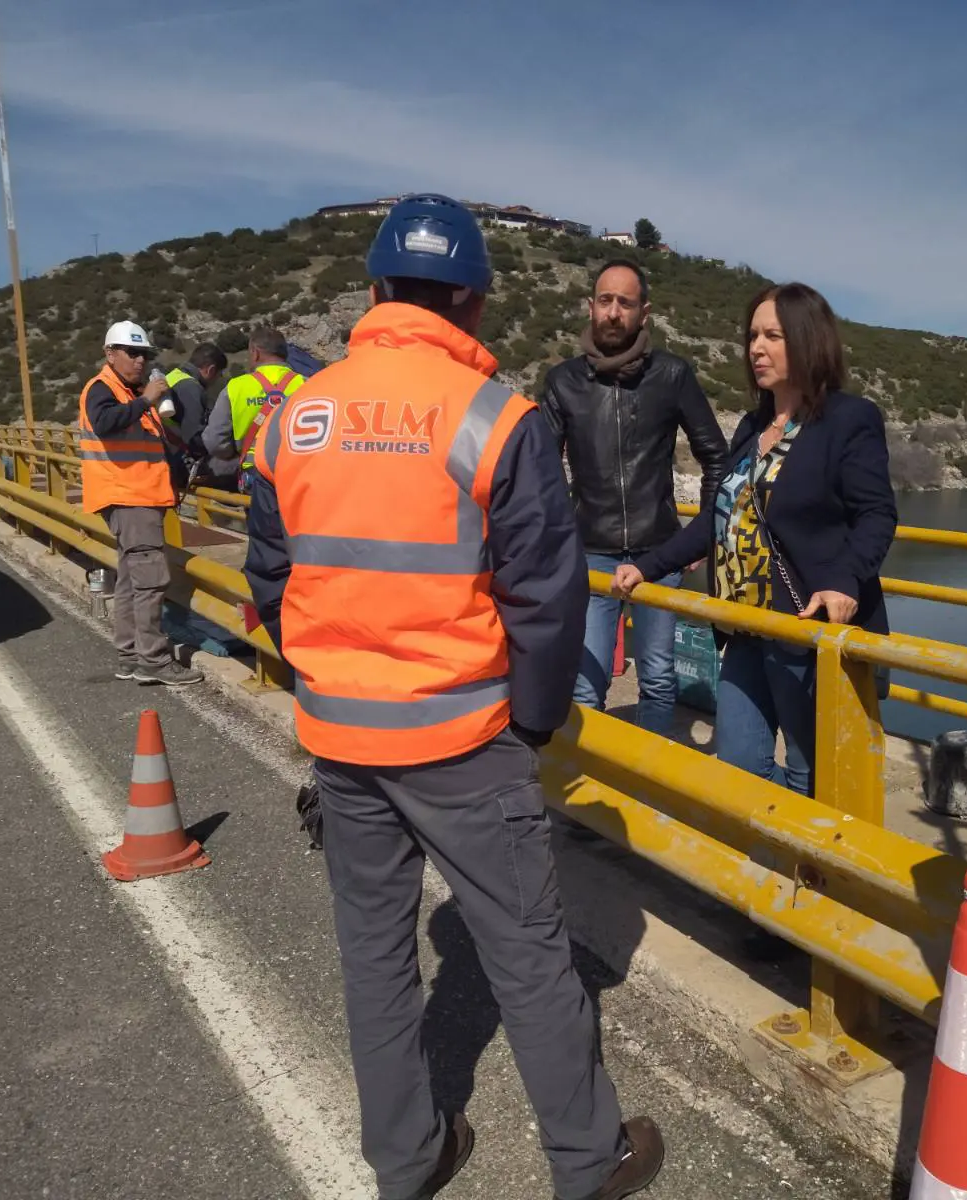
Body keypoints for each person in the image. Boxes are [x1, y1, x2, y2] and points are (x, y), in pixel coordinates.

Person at [242, 194, 664, 1200]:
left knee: (375, 957)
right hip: (463, 738)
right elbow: (546, 596)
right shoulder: (496, 417)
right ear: (470, 303)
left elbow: (270, 576)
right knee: (525, 955)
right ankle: (585, 1158)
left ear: (376, 292)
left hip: (341, 739)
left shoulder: (292, 416)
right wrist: (525, 720)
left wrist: (327, 675)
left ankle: (407, 1156)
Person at [611, 283, 896, 796]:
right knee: (740, 767)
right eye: (752, 337)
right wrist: (650, 566)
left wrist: (843, 581)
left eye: (773, 336)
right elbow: (716, 521)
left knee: (816, 776)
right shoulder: (752, 424)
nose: (755, 349)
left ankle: (812, 870)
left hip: (805, 630)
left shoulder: (848, 420)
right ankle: (785, 858)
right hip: (744, 627)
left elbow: (876, 515)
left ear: (808, 341)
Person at [538, 259, 727, 735]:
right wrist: (561, 542)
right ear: (591, 307)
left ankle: (652, 791)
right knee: (587, 684)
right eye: (605, 300)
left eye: (625, 302)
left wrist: (700, 538)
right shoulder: (563, 382)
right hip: (591, 554)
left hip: (659, 552)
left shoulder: (672, 376)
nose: (614, 312)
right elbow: (540, 471)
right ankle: (597, 792)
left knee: (659, 680)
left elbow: (717, 458)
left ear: (645, 312)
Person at [78, 320, 204, 687]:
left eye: (144, 355)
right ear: (110, 354)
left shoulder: (131, 392)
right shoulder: (103, 389)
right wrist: (147, 398)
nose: (139, 361)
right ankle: (153, 660)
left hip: (139, 497)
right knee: (150, 580)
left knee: (133, 580)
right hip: (128, 497)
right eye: (132, 353)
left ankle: (131, 654)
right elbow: (104, 423)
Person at [201, 326, 306, 488]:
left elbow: (215, 441)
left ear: (255, 353)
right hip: (299, 474)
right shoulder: (308, 384)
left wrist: (236, 452)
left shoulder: (236, 387)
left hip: (255, 476)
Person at [163, 341, 230, 461]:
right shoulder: (191, 388)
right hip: (177, 455)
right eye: (219, 375)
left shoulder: (174, 376)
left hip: (166, 448)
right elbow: (194, 437)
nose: (217, 380)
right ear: (211, 370)